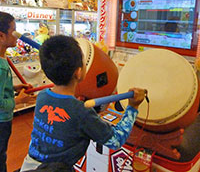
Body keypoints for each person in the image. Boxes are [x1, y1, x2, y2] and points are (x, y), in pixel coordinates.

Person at [20, 35, 146, 172]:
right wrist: (133, 107)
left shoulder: (43, 96)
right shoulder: (81, 112)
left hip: (29, 166)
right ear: (79, 73)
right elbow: (116, 140)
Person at [0, 11, 36, 172]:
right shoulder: (0, 66)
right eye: (14, 31)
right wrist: (20, 100)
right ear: (1, 36)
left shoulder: (3, 59)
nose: (18, 35)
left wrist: (14, 88)